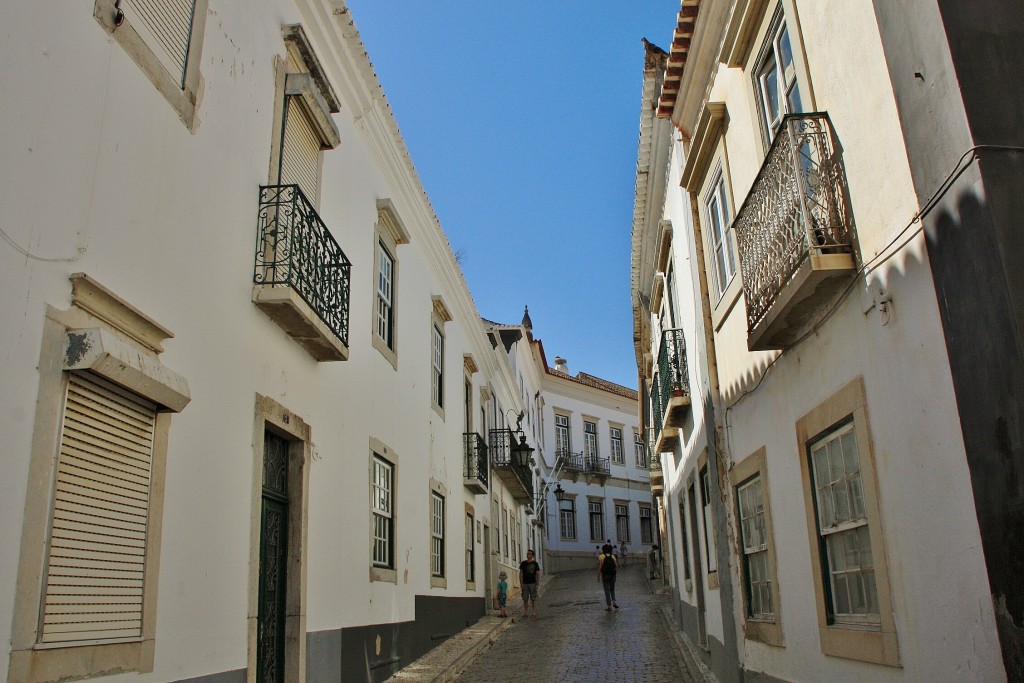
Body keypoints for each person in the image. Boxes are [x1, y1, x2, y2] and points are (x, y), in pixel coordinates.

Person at [519, 549, 541, 617]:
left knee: (533, 599)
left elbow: (537, 574)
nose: (528, 554)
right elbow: (521, 574)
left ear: (532, 555)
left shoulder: (535, 564)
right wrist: (521, 583)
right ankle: (525, 612)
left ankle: (533, 612)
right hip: (525, 583)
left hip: (533, 583)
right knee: (525, 599)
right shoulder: (523, 563)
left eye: (529, 554)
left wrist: (537, 583)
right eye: (527, 553)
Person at [598, 543, 619, 611]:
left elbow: (600, 566)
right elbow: (616, 566)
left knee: (606, 590)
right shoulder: (612, 556)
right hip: (613, 575)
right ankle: (614, 602)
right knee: (612, 589)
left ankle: (609, 606)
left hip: (605, 575)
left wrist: (598, 575)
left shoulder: (601, 556)